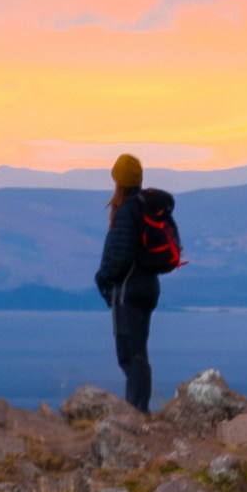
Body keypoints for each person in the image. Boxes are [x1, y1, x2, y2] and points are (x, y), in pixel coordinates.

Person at [91, 152, 184, 410]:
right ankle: (139, 407)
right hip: (148, 287)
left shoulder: (127, 211)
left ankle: (136, 412)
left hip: (128, 290)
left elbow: (119, 254)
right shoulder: (147, 207)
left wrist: (103, 277)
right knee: (138, 351)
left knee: (130, 356)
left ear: (118, 182)